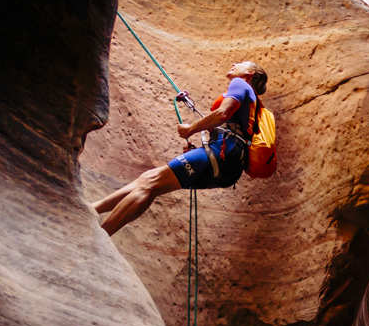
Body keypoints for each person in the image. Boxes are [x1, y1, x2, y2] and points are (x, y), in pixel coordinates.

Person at [93, 61, 267, 235]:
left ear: (250, 73)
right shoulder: (254, 105)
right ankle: (93, 210)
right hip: (230, 169)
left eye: (241, 64)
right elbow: (230, 129)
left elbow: (222, 113)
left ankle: (100, 235)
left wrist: (190, 129)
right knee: (149, 180)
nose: (234, 64)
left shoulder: (239, 84)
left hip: (222, 154)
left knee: (150, 183)